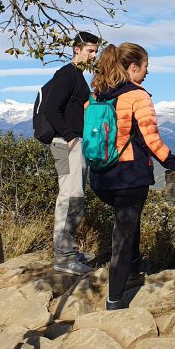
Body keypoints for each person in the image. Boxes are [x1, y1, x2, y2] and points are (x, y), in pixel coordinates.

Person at [88, 43, 175, 310]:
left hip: (100, 176)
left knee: (127, 222)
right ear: (133, 67)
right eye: (145, 69)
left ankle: (133, 268)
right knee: (123, 232)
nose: (145, 74)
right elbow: (150, 137)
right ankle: (115, 300)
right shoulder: (137, 96)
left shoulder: (97, 95)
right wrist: (173, 164)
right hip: (129, 176)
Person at [44, 30, 100, 276]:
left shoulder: (79, 76)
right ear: (76, 49)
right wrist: (68, 136)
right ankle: (64, 257)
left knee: (75, 197)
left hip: (76, 143)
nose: (93, 55)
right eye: (90, 51)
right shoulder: (66, 74)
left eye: (95, 51)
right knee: (69, 197)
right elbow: (50, 107)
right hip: (67, 144)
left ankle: (69, 251)